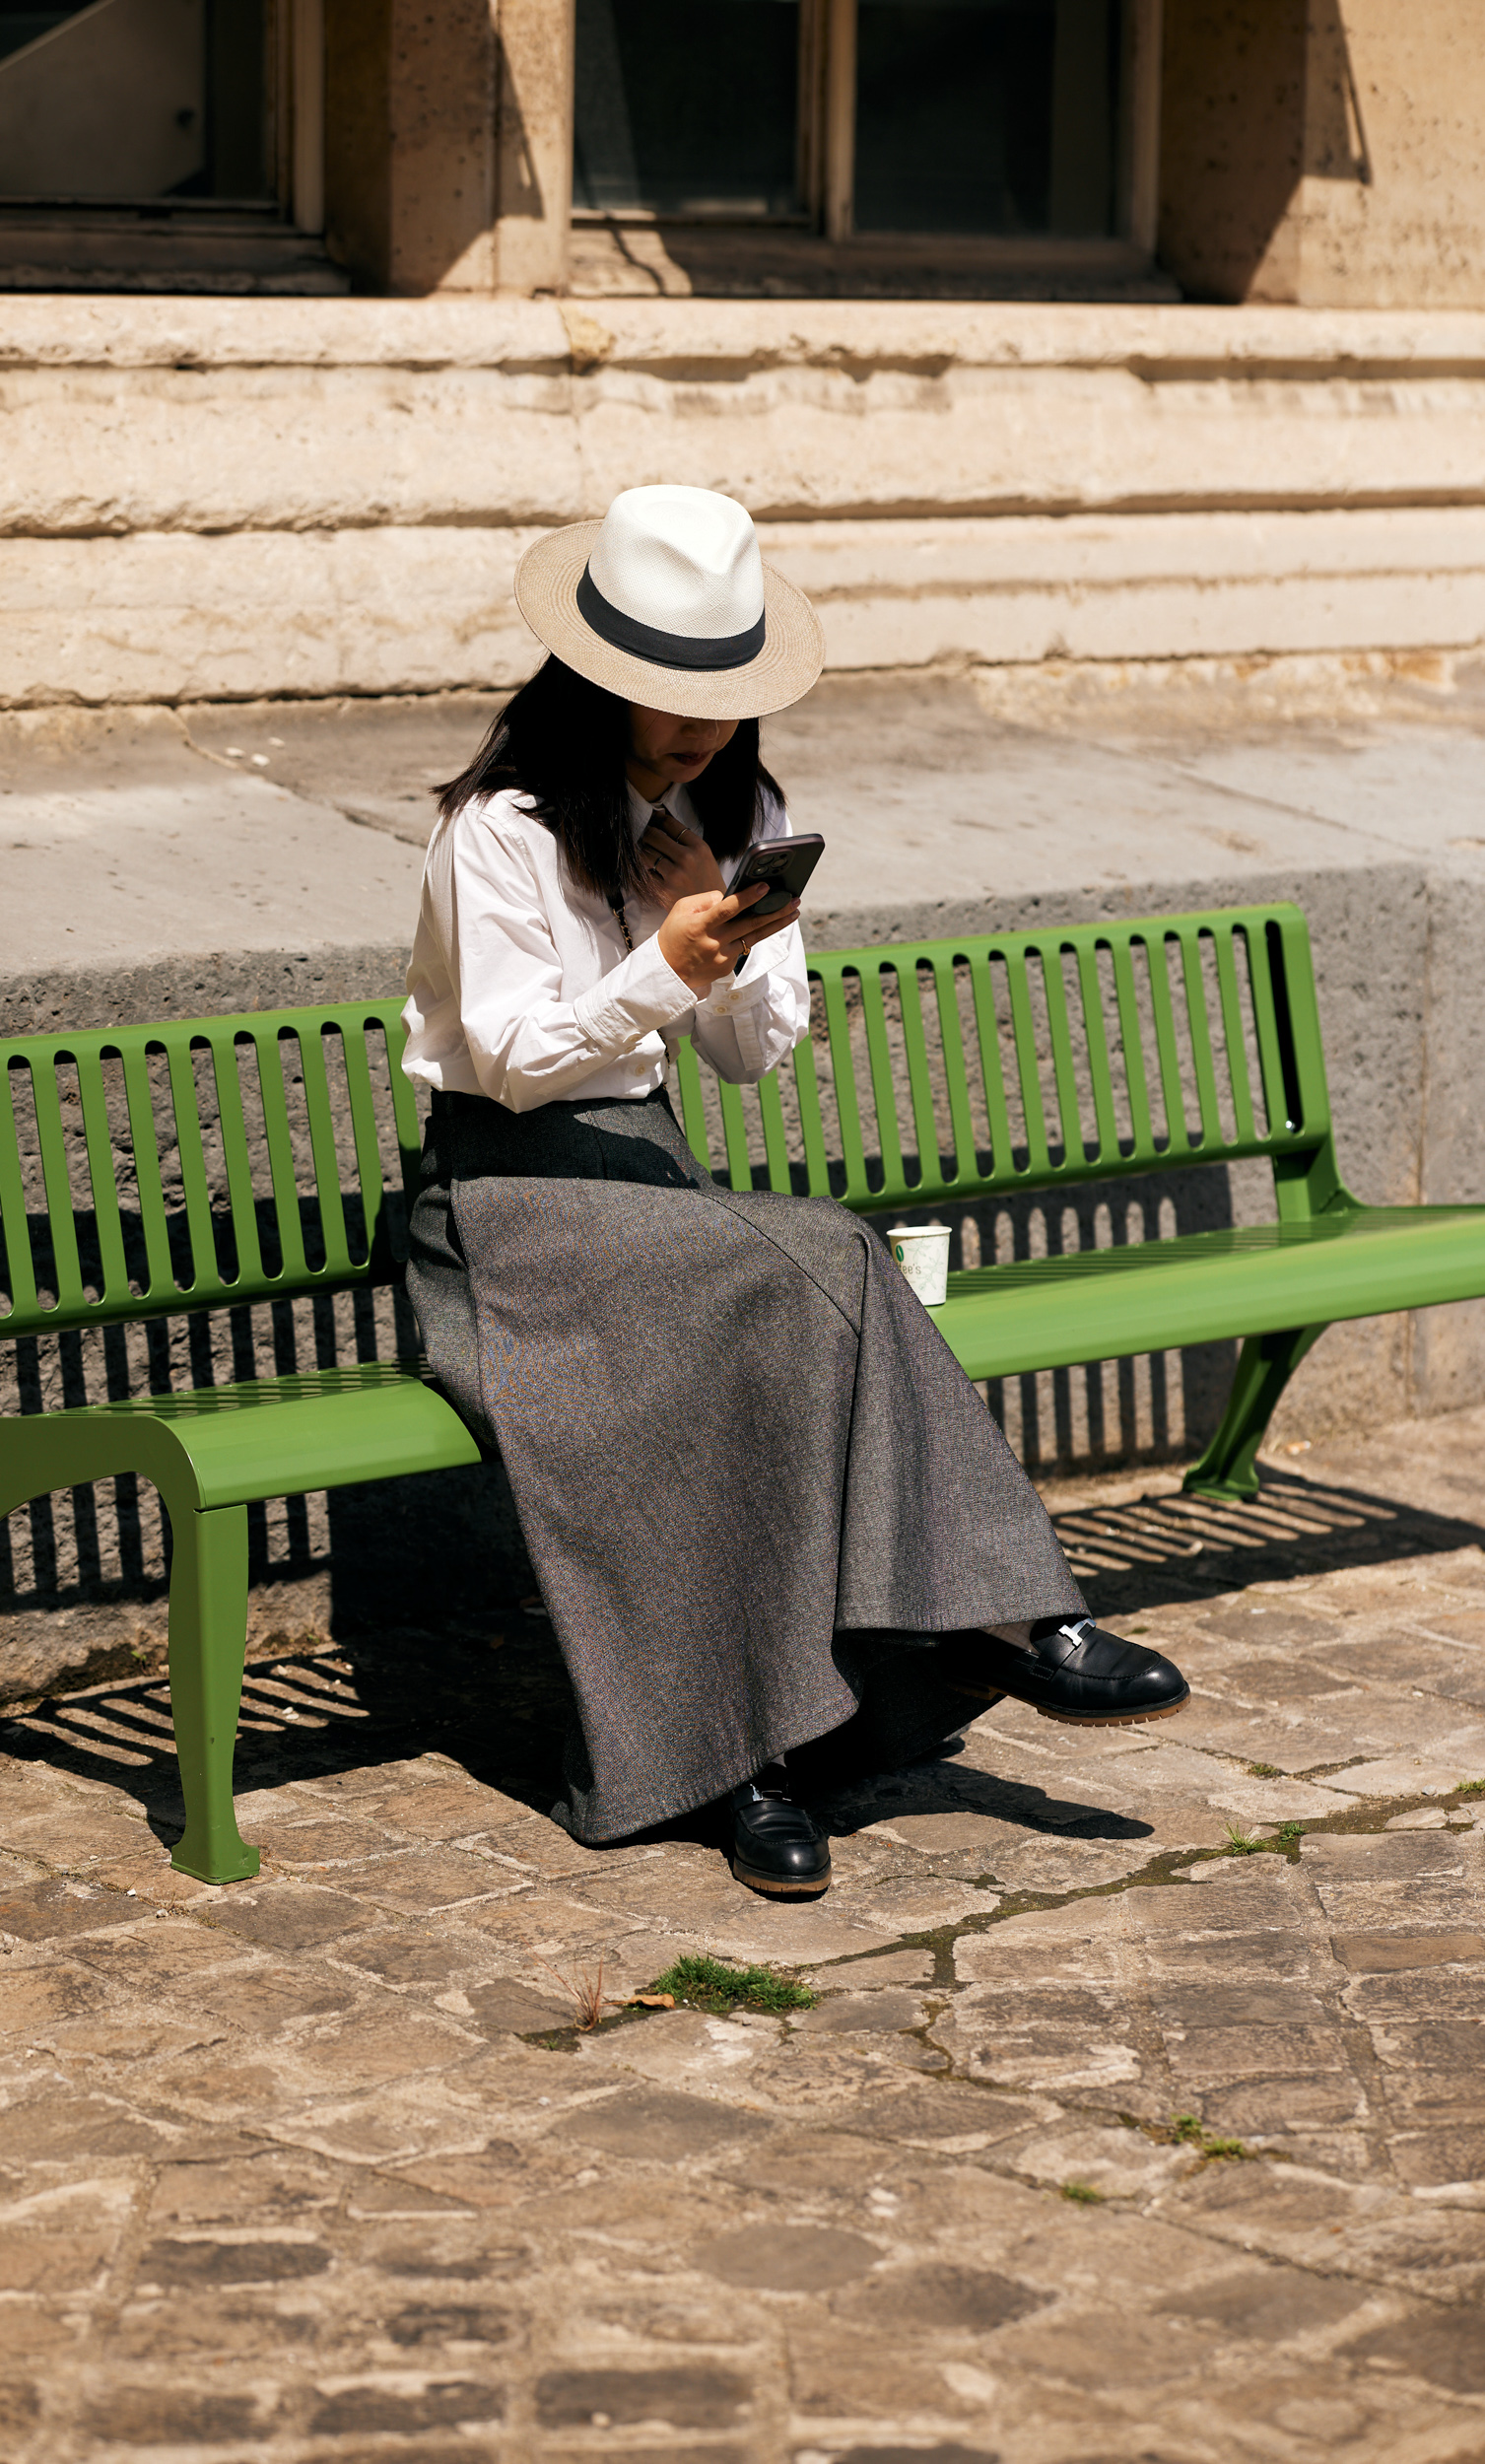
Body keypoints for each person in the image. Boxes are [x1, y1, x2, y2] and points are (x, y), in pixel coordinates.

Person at [400, 484, 1188, 1900]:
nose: (698, 723)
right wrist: (666, 964)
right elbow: (513, 1067)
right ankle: (1017, 1618)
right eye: (663, 691)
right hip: (511, 1211)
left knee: (773, 1311)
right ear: (593, 679)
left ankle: (758, 1761)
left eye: (723, 690)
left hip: (656, 1194)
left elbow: (754, 1061)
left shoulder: (737, 809)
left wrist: (731, 922)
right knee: (817, 1256)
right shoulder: (501, 830)